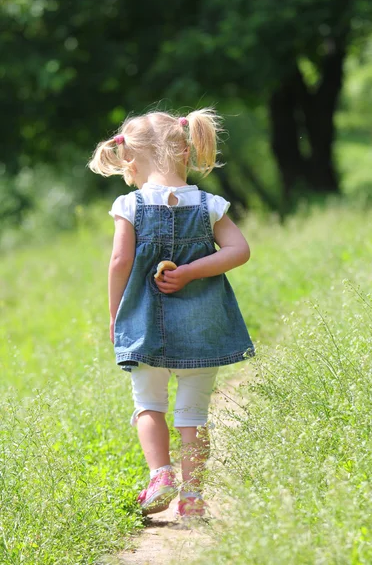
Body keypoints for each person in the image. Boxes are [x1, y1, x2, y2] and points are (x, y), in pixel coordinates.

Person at [88, 108, 254, 519]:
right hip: (204, 323)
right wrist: (192, 271)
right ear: (185, 149)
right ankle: (193, 496)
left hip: (144, 324)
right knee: (193, 414)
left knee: (149, 405)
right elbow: (240, 251)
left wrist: (115, 315)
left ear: (129, 161)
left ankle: (160, 475)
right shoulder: (209, 205)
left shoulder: (129, 205)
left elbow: (119, 261)